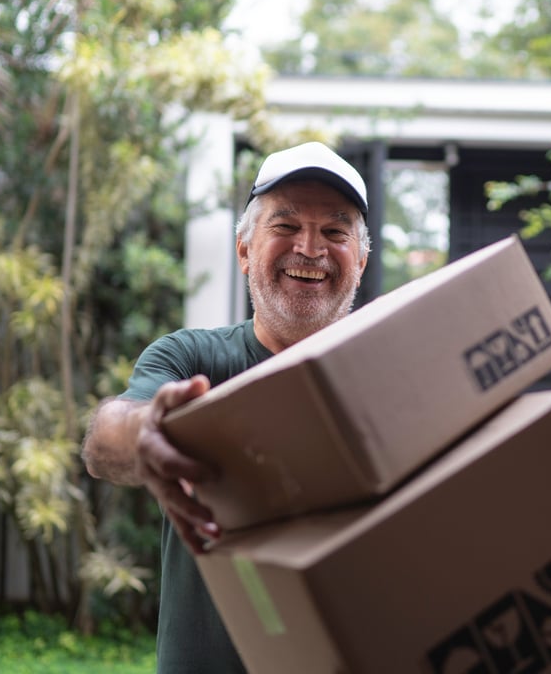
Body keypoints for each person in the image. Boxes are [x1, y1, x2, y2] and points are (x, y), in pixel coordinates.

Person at [82, 141, 371, 674]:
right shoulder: (192, 359)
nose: (310, 248)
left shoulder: (387, 375)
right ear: (243, 250)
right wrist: (149, 431)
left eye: (335, 231)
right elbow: (107, 440)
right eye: (284, 226)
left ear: (361, 261)